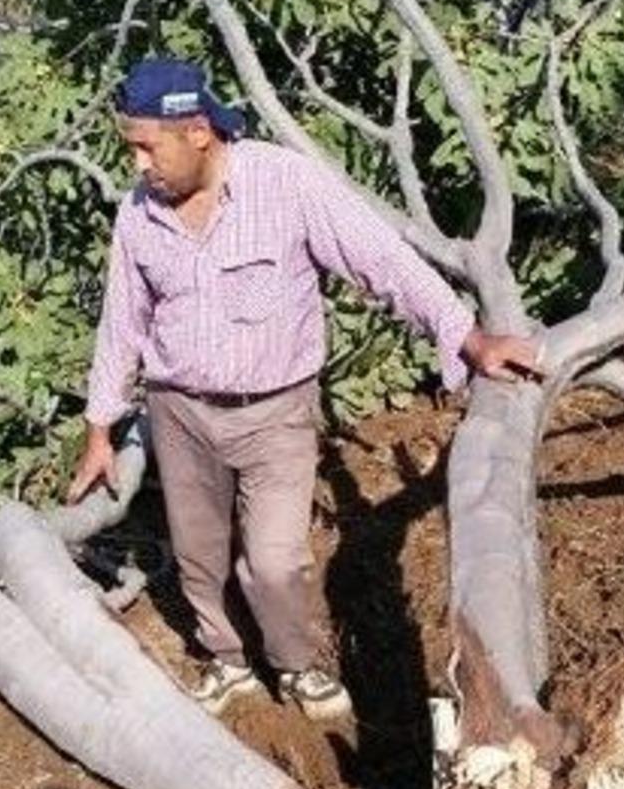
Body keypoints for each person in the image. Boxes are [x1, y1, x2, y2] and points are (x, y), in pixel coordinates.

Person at [68, 54, 539, 720]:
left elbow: (381, 260)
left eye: (148, 147)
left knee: (272, 560)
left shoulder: (283, 184)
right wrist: (99, 428)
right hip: (178, 411)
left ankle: (298, 665)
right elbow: (123, 320)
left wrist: (467, 337)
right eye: (132, 150)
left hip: (276, 413)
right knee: (200, 554)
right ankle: (228, 660)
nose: (140, 165)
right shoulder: (140, 215)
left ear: (198, 130)